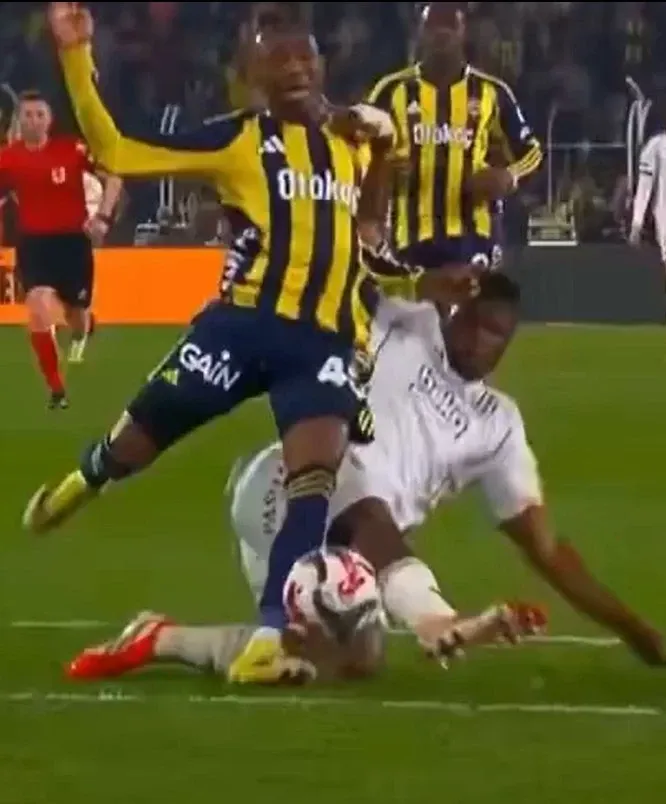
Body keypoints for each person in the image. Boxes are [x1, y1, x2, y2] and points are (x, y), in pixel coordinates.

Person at [24, 3, 477, 685]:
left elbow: (368, 238)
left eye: (304, 57)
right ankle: (86, 478)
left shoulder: (351, 144)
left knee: (312, 485)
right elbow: (116, 151)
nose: (294, 68)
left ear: (321, 66)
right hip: (241, 328)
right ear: (254, 75)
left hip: (322, 343)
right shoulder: (237, 140)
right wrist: (75, 55)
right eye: (278, 59)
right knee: (136, 444)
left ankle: (266, 640)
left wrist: (390, 166)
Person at [219, 273, 665, 665]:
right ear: (456, 311)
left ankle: (180, 642)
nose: (479, 339)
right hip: (287, 490)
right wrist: (422, 279)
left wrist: (638, 632)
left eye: (495, 333)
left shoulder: (498, 424)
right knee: (361, 494)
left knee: (341, 662)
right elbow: (350, 275)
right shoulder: (406, 324)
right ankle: (436, 620)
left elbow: (546, 550)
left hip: (349, 557)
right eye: (473, 321)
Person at [362, 2, 541, 275]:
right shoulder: (392, 91)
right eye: (433, 26)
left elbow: (532, 153)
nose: (441, 33)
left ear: (463, 31)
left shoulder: (492, 92)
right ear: (421, 32)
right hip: (410, 237)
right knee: (420, 303)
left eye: (449, 25)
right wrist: (383, 168)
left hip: (476, 237)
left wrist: (508, 176)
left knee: (472, 302)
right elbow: (356, 151)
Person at [0, 90, 122, 407]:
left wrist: (102, 218)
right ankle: (56, 389)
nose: (33, 121)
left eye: (39, 114)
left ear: (50, 119)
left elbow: (114, 176)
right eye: (27, 115)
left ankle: (84, 328)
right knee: (38, 308)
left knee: (75, 316)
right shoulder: (8, 157)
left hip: (72, 244)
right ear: (19, 120)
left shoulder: (71, 150)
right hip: (34, 245)